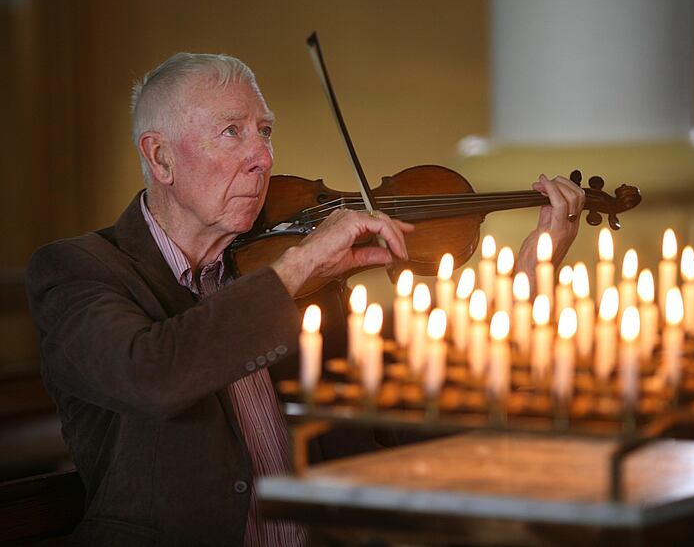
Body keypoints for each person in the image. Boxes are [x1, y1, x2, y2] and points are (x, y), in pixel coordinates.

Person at [25, 52, 584, 546]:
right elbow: (152, 375)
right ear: (161, 158)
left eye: (264, 131)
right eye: (232, 132)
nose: (262, 157)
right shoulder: (78, 270)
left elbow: (416, 417)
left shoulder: (301, 283)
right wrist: (299, 265)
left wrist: (526, 281)